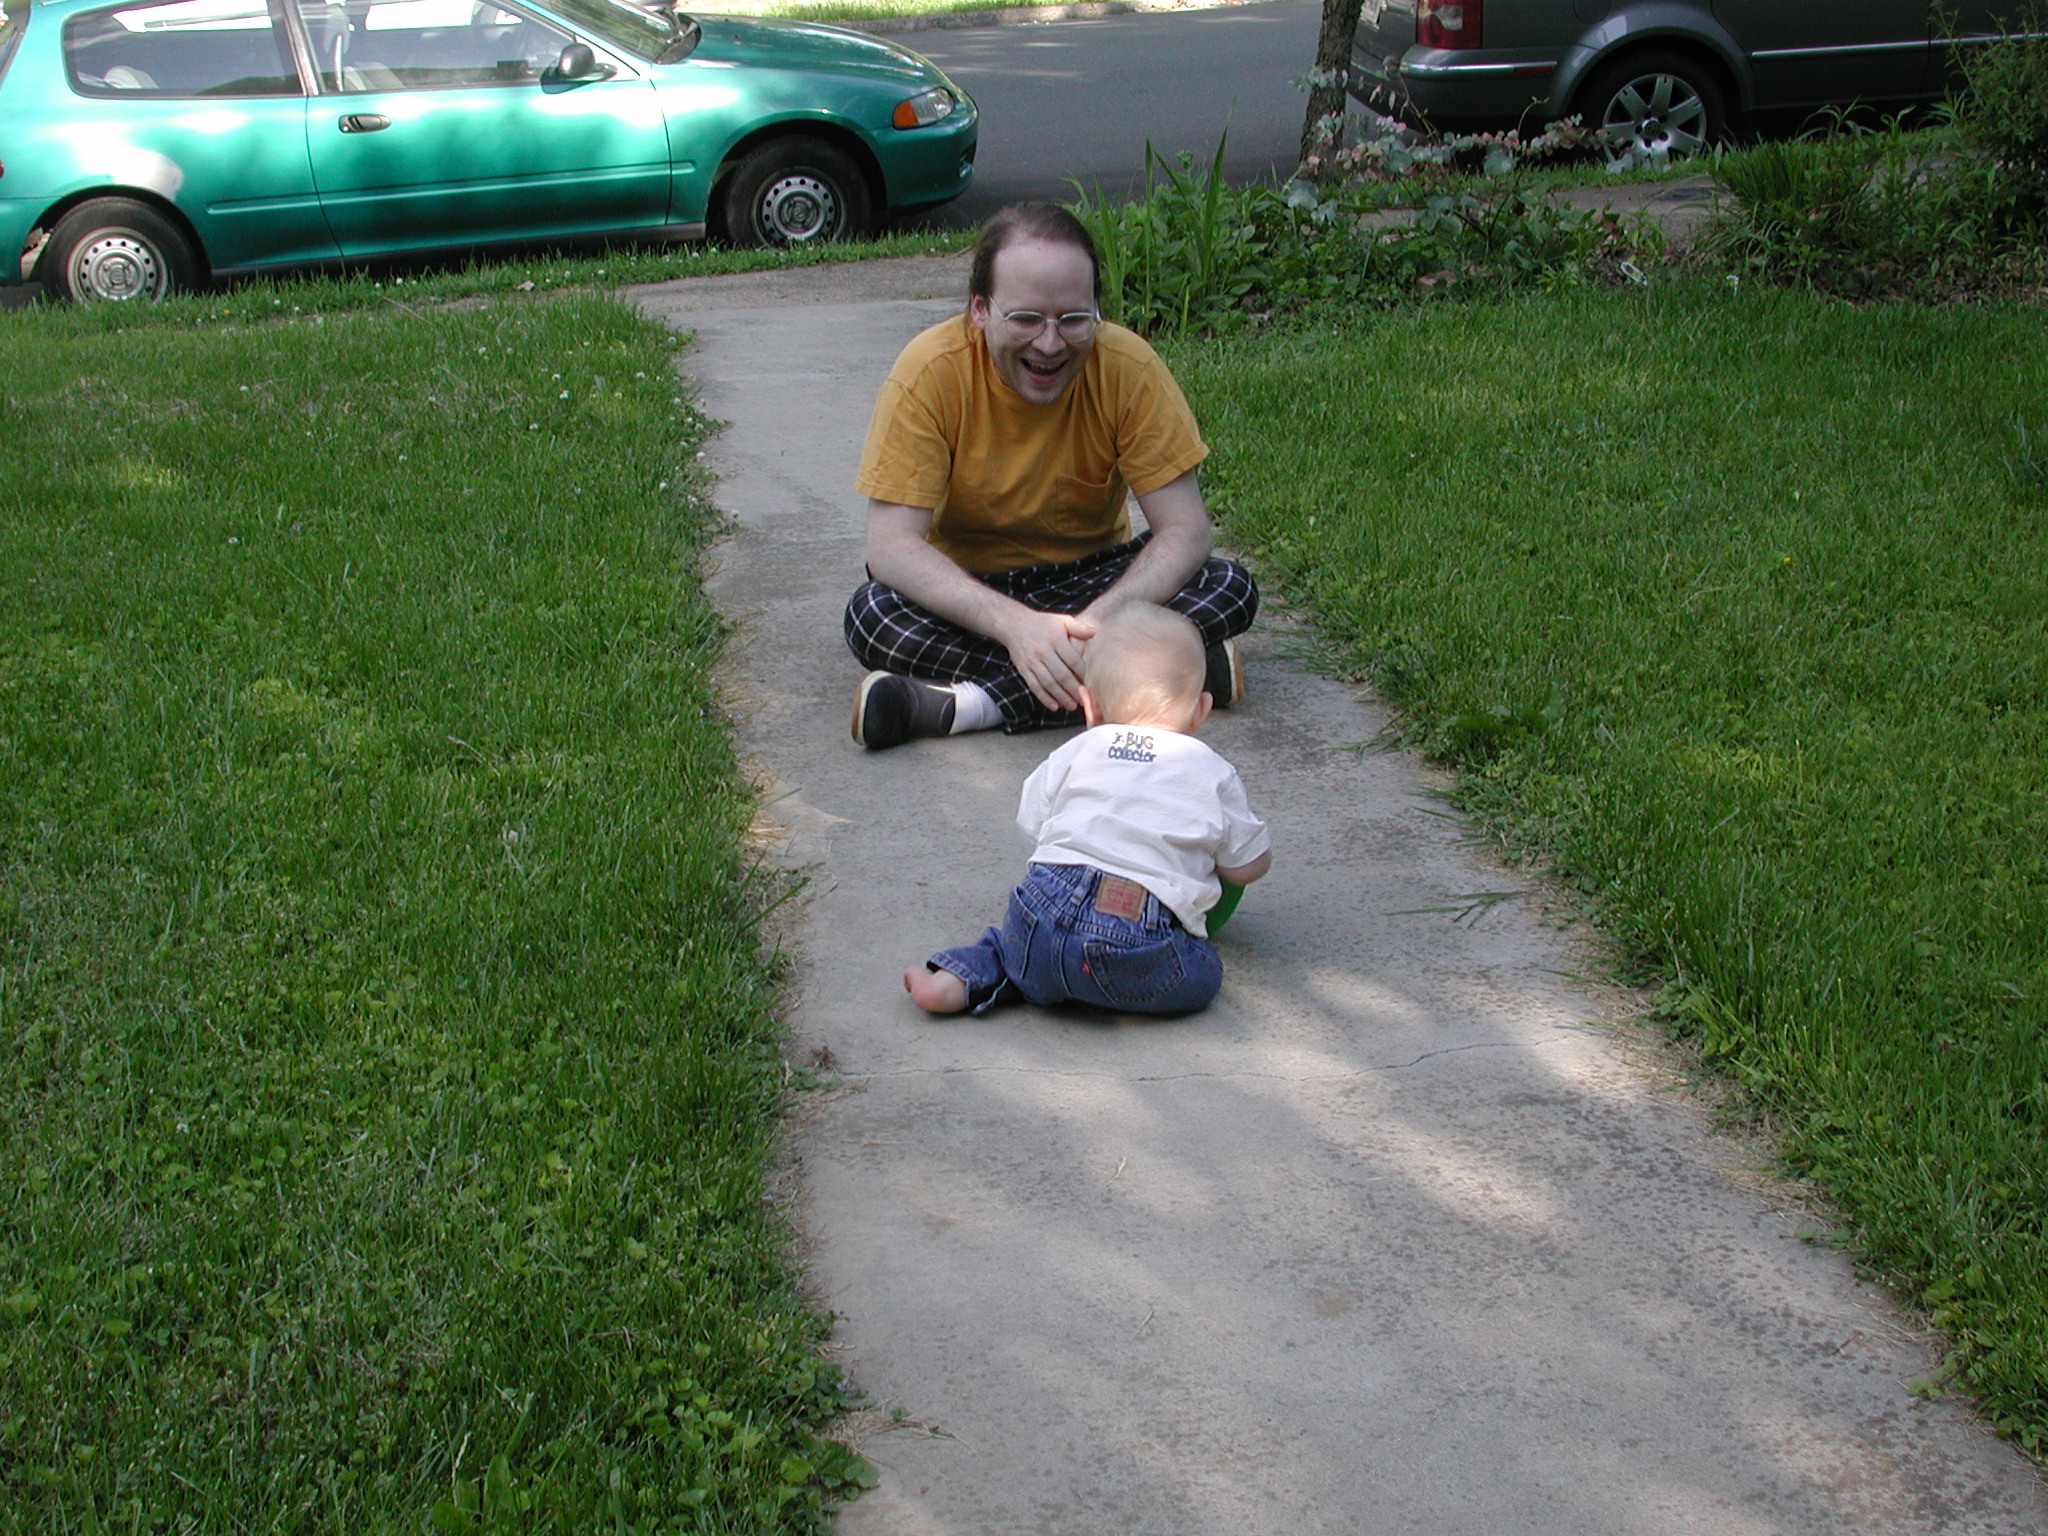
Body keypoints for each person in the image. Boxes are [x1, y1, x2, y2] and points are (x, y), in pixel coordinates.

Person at [845, 201, 1259, 750]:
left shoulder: (1129, 367)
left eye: (1073, 319)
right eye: (1025, 319)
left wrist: (1095, 626)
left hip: (1094, 583)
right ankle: (1163, 679)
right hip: (974, 591)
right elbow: (891, 547)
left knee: (1228, 585)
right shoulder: (928, 372)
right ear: (979, 309)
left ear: (1096, 312)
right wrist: (1017, 628)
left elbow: (1186, 530)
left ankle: (966, 706)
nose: (1049, 343)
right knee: (873, 615)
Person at [904, 604, 1271, 1016]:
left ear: (1089, 707)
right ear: (1201, 710)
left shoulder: (1078, 750)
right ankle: (1099, 984)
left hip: (1039, 909)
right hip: (1132, 934)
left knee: (1008, 947)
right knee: (1203, 971)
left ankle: (958, 982)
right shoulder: (1211, 770)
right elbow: (1247, 867)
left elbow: (1035, 825)